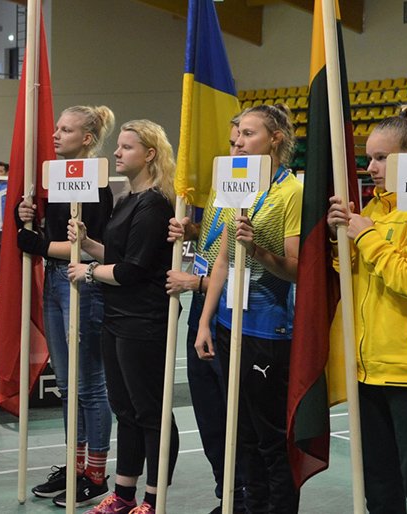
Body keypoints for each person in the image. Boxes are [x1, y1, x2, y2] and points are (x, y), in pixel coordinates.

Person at [327, 105, 407, 513]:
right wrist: (340, 238)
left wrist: (365, 237)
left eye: (382, 158)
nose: (371, 167)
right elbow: (354, 278)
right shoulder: (375, 210)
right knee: (378, 487)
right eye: (370, 157)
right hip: (368, 370)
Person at [62, 120, 177, 514]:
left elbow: (132, 270)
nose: (117, 153)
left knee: (151, 412)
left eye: (127, 147)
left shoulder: (156, 204)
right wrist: (88, 243)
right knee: (125, 409)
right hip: (116, 317)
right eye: (119, 147)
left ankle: (153, 498)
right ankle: (124, 494)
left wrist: (88, 272)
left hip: (143, 320)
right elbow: (115, 254)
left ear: (149, 154)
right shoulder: (127, 198)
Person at [195, 104, 302, 513]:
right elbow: (222, 261)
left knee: (271, 438)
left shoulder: (290, 191)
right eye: (237, 134)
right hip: (227, 325)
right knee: (241, 436)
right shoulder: (232, 181)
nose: (239, 141)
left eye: (249, 134)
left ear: (275, 138)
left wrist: (255, 247)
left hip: (268, 329)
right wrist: (205, 322)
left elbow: (296, 270)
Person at [17, 105, 116, 506]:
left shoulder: (96, 184)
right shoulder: (60, 181)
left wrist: (38, 244)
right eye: (56, 127)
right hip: (54, 281)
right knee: (66, 383)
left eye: (66, 130)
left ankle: (95, 472)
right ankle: (74, 467)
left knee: (90, 383)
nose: (56, 135)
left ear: (87, 139)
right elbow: (55, 233)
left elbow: (83, 246)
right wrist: (28, 218)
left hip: (84, 283)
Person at [165, 118, 244, 512]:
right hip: (203, 306)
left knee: (236, 416)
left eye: (244, 139)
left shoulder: (265, 195)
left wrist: (195, 285)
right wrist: (191, 229)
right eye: (231, 141)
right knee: (209, 413)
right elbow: (214, 242)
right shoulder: (221, 188)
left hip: (236, 312)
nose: (235, 149)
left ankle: (245, 495)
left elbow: (245, 270)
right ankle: (224, 492)